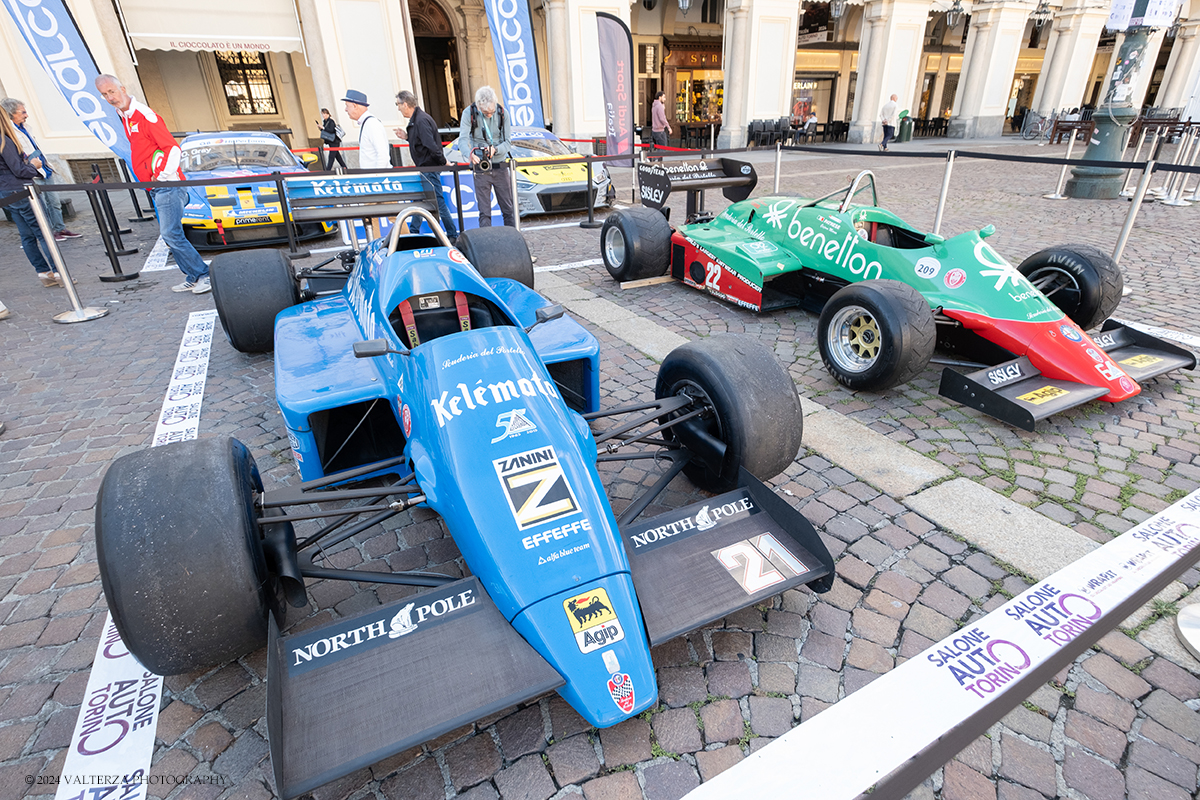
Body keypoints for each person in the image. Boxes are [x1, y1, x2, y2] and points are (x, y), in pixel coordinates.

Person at [95, 74, 211, 294]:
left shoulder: (144, 115)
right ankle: (194, 275)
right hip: (159, 185)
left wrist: (162, 175)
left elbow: (173, 148)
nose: (109, 97)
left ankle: (203, 274)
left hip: (166, 185)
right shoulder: (127, 115)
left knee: (171, 234)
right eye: (104, 94)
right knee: (171, 234)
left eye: (111, 91)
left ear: (122, 88)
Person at [1, 97, 82, 241]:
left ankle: (59, 229)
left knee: (54, 202)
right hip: (31, 174)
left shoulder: (26, 127)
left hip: (44, 169)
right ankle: (47, 234)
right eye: (23, 112)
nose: (26, 115)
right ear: (11, 114)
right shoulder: (9, 134)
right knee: (40, 207)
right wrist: (31, 167)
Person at [1, 108, 62, 288]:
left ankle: (44, 272)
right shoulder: (4, 141)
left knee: (26, 234)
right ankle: (58, 272)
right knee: (42, 231)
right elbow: (18, 170)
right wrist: (34, 166)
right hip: (19, 190)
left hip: (6, 192)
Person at [395, 90, 458, 240]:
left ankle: (452, 234)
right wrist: (407, 137)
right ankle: (414, 232)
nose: (397, 108)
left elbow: (430, 145)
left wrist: (444, 162)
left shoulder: (420, 120)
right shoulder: (419, 119)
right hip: (426, 167)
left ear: (405, 104)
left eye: (398, 104)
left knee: (436, 202)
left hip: (429, 168)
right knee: (420, 201)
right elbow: (423, 142)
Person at [457, 86, 515, 228]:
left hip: (500, 166)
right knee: (484, 211)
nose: (489, 115)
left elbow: (508, 142)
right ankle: (485, 242)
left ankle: (513, 238)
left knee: (508, 209)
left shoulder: (503, 113)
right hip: (480, 167)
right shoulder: (468, 113)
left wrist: (496, 149)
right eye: (485, 112)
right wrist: (469, 154)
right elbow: (462, 140)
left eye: (492, 112)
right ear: (478, 106)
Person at [343, 90, 390, 170]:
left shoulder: (371, 124)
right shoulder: (367, 123)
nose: (345, 109)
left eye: (347, 106)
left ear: (355, 106)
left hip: (377, 178)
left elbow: (383, 154)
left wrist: (377, 177)